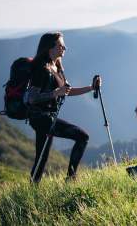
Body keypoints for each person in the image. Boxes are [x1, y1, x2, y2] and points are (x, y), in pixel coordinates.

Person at [27, 32, 101, 183]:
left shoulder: (56, 67)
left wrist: (91, 88)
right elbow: (32, 97)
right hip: (41, 117)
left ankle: (32, 189)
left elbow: (67, 91)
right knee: (82, 137)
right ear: (50, 48)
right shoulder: (42, 68)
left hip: (48, 117)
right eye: (60, 45)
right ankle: (71, 179)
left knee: (42, 157)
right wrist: (55, 93)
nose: (64, 48)